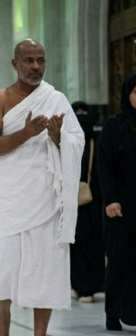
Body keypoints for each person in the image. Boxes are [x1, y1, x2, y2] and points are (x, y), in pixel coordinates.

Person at [0, 39, 83, 336]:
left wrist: (57, 138)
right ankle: (4, 311)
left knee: (47, 264)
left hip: (46, 194)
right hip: (14, 193)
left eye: (40, 60)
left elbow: (76, 140)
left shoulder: (56, 99)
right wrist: (25, 134)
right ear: (15, 64)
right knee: (8, 260)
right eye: (28, 60)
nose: (35, 66)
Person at [97, 73, 136, 331]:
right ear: (127, 95)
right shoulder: (114, 126)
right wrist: (110, 199)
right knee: (119, 260)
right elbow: (104, 165)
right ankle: (113, 313)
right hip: (120, 209)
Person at [70, 101, 104, 303]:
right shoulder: (68, 142)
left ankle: (88, 285)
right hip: (79, 203)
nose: (81, 116)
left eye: (84, 112)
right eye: (77, 113)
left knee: (91, 244)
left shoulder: (97, 142)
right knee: (79, 244)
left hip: (93, 203)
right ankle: (83, 285)